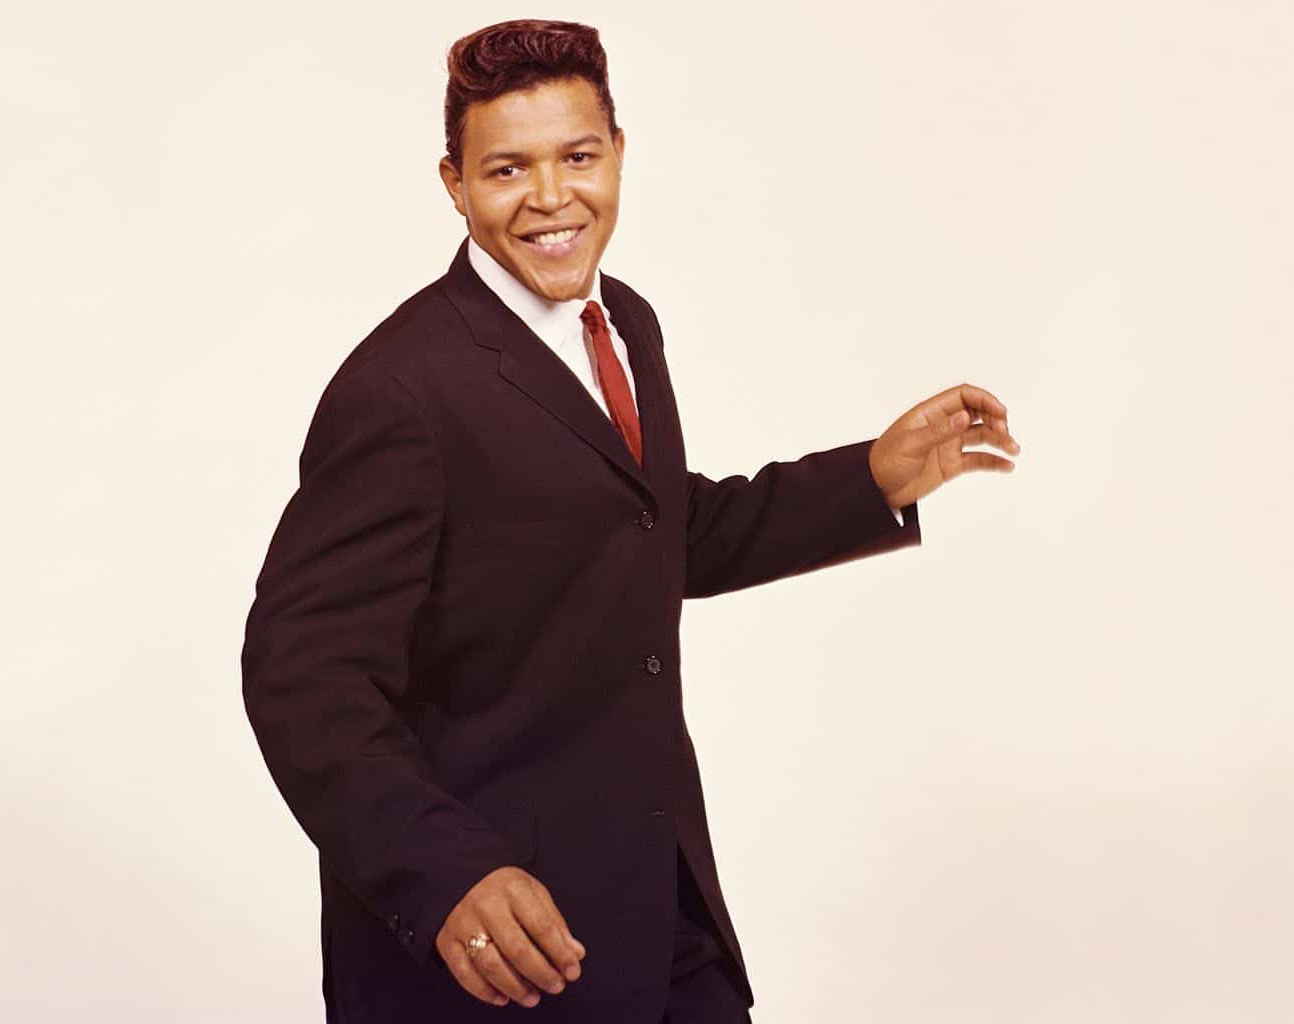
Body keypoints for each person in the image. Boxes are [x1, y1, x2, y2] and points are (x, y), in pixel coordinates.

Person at [240, 18, 1019, 1023]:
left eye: (577, 156)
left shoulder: (626, 325)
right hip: (496, 949)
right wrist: (444, 874)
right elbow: (303, 676)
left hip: (659, 905)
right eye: (507, 169)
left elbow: (654, 531)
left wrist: (871, 480)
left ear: (618, 154)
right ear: (455, 184)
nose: (551, 196)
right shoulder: (399, 390)